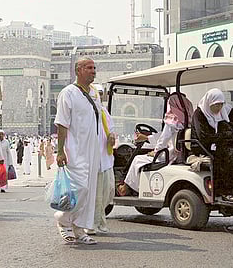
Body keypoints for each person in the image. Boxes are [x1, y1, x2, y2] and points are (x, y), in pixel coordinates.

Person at [54, 57, 101, 245]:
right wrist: (60, 151)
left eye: (94, 68)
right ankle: (63, 220)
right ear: (78, 70)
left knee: (89, 191)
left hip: (92, 150)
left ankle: (79, 228)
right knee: (79, 188)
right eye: (89, 67)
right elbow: (62, 124)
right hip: (74, 149)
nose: (93, 71)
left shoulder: (94, 94)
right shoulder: (68, 93)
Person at [119, 93, 194, 195]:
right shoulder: (187, 121)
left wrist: (155, 152)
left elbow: (163, 139)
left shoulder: (172, 121)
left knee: (137, 159)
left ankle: (129, 189)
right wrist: (147, 138)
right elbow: (164, 136)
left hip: (168, 155)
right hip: (179, 155)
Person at [89, 84, 116, 234]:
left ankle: (99, 220)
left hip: (106, 159)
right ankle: (93, 224)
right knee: (95, 195)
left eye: (99, 94)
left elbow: (111, 129)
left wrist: (112, 136)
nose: (98, 97)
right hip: (93, 160)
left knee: (107, 192)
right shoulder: (87, 113)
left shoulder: (104, 112)